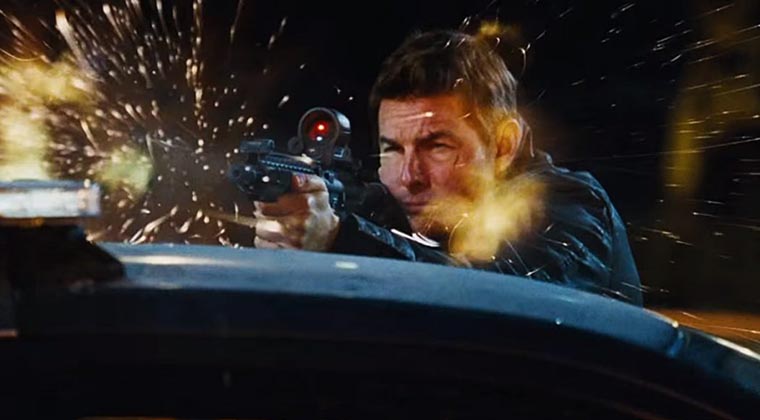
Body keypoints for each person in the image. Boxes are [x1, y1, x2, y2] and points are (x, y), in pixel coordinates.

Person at [252, 30, 643, 306]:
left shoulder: (569, 204)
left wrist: (341, 238)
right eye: (393, 150)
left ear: (503, 146)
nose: (409, 177)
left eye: (437, 147)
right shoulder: (386, 208)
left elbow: (509, 298)